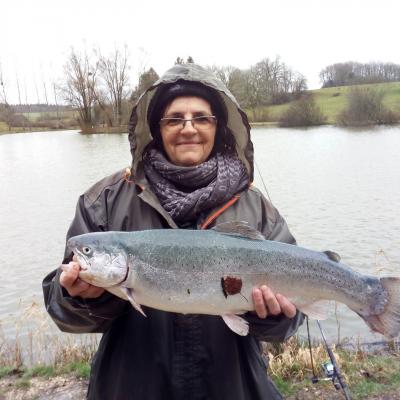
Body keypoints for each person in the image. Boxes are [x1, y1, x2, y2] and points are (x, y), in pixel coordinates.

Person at [43, 63, 304, 400]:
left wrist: (271, 317)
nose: (188, 128)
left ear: (218, 126)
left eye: (201, 117)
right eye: (174, 119)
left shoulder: (257, 208)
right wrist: (77, 297)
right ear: (157, 129)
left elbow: (288, 325)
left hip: (233, 387)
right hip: (131, 389)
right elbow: (64, 314)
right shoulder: (103, 202)